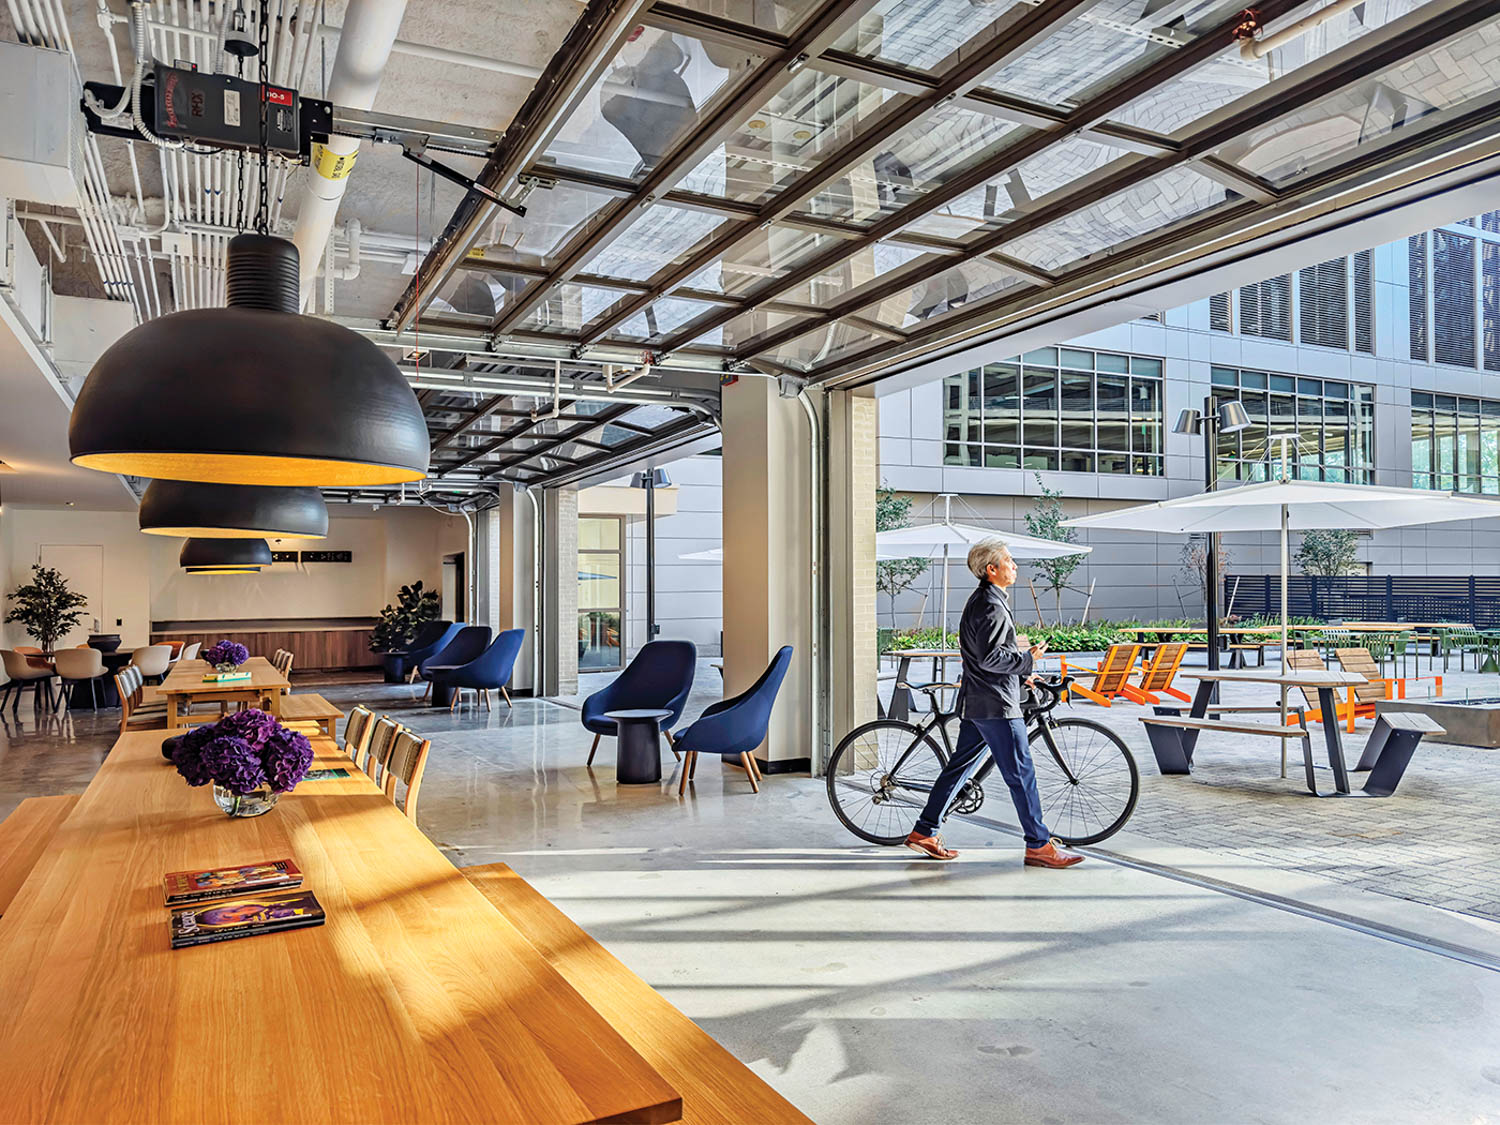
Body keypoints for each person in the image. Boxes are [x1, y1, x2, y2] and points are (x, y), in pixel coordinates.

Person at [904, 539, 1084, 869]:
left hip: (980, 700)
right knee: (1021, 773)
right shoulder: (990, 605)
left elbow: (984, 658)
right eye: (1009, 561)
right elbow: (991, 657)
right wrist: (1027, 660)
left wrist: (1022, 674)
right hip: (996, 705)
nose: (1015, 566)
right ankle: (1039, 845)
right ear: (992, 569)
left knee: (960, 767)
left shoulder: (985, 601)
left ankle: (924, 831)